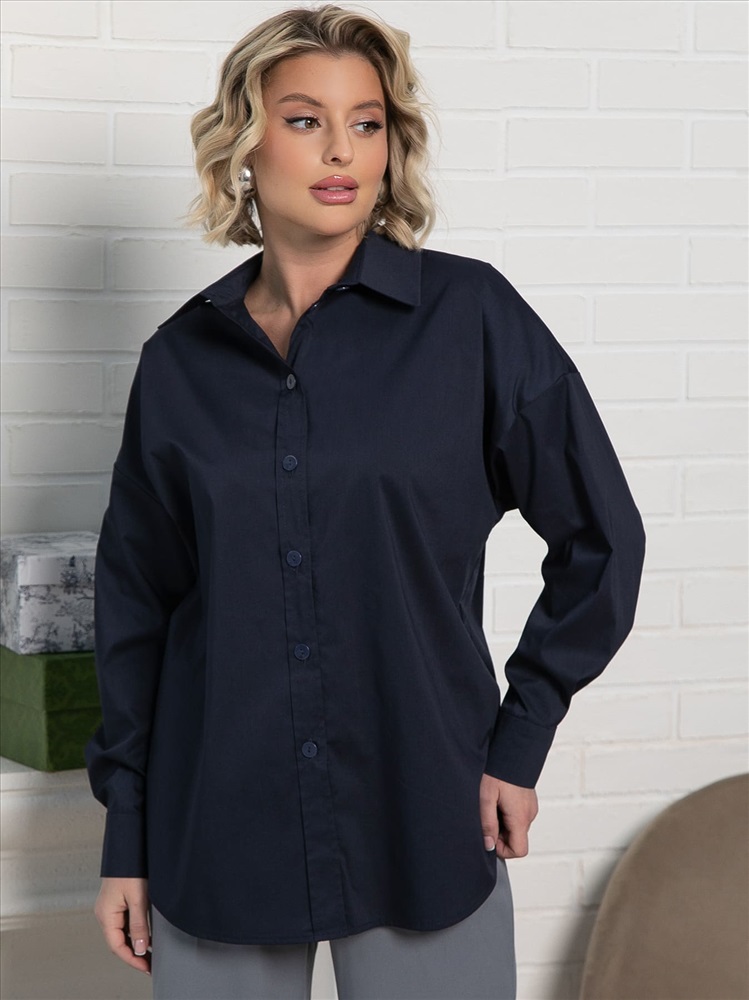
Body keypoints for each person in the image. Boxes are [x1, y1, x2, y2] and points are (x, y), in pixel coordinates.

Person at [84, 5, 646, 999]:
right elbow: (137, 611)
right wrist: (124, 835)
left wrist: (519, 740)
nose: (341, 149)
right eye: (304, 120)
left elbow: (602, 539)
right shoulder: (178, 362)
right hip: (215, 832)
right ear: (243, 144)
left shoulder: (471, 318)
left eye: (367, 122)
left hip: (424, 814)